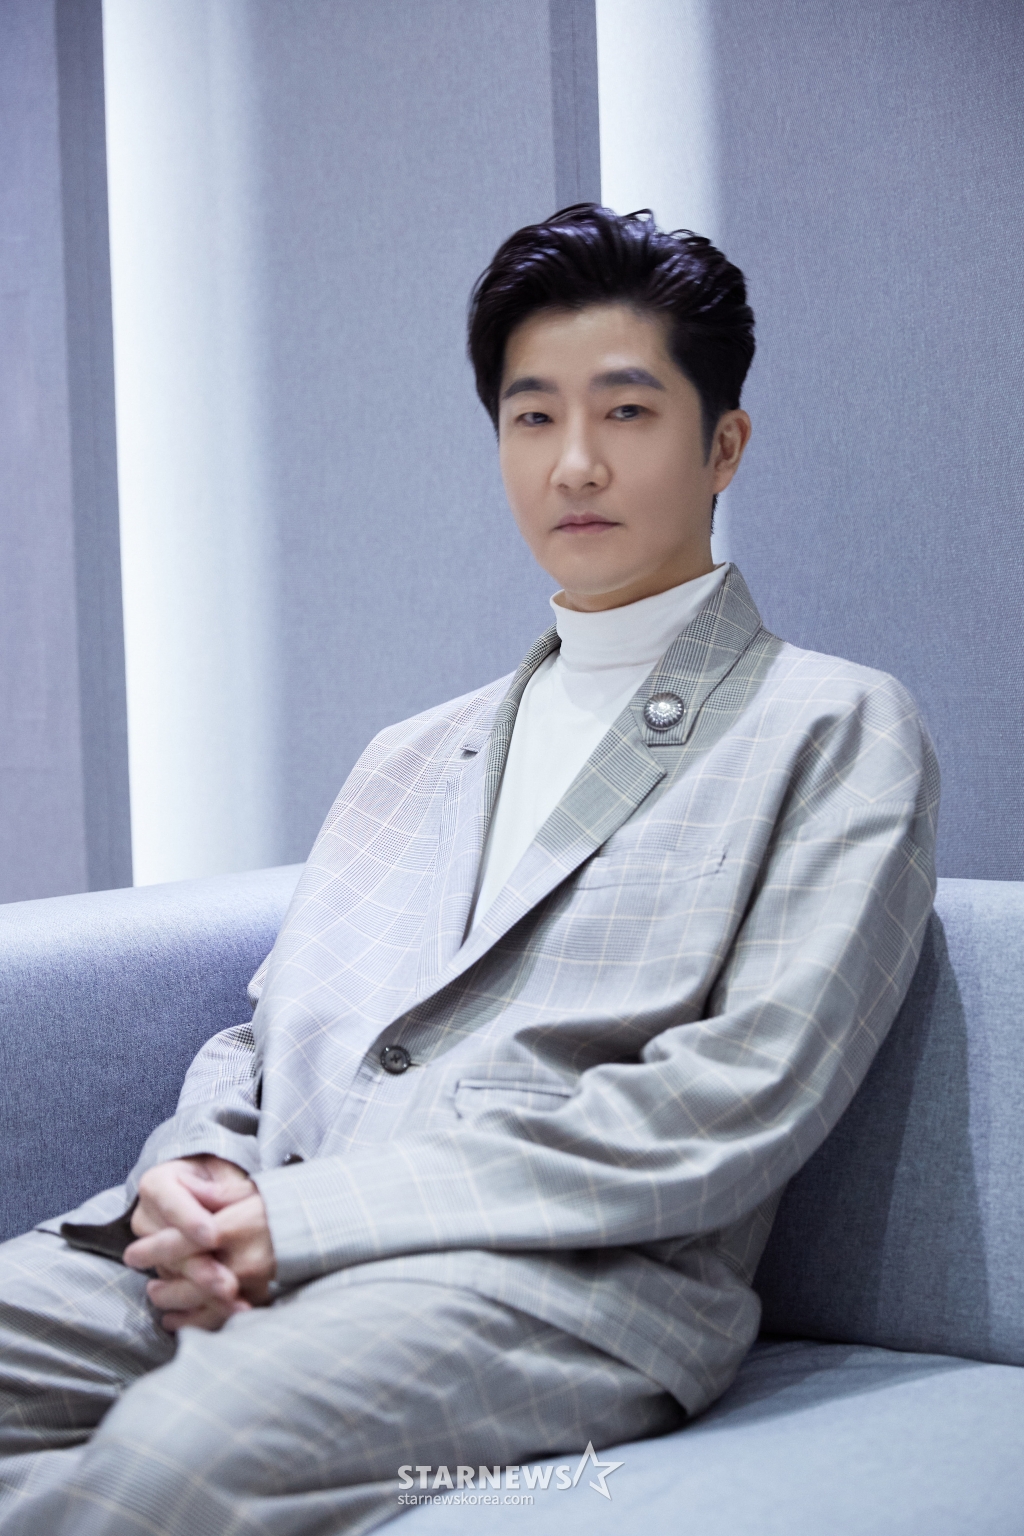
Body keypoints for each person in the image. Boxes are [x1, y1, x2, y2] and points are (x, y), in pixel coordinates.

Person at [0, 205, 939, 1534]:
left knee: (173, 1462)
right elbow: (261, 1042)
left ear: (723, 445)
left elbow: (731, 1104)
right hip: (253, 1235)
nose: (574, 464)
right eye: (531, 416)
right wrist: (192, 1173)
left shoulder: (833, 726)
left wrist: (308, 1221)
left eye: (627, 413)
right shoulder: (409, 751)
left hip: (562, 1281)